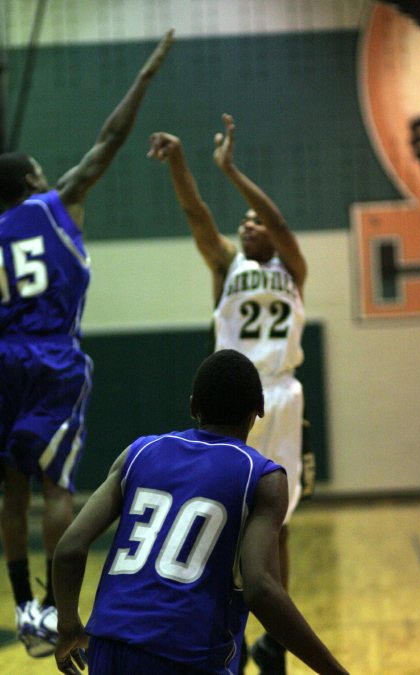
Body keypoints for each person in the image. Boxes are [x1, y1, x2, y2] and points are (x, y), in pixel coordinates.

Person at [0, 28, 174, 659]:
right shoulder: (55, 203)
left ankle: (25, 606)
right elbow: (109, 139)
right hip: (52, 354)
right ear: (32, 178)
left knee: (11, 488)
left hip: (3, 358)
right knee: (56, 486)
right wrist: (147, 74)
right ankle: (54, 608)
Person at [52, 349, 348, 675]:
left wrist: (68, 627)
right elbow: (262, 589)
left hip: (108, 648)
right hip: (186, 656)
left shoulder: (138, 453)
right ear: (260, 408)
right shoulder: (262, 477)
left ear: (193, 406)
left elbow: (69, 549)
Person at [149, 113, 308, 674]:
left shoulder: (293, 265)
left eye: (253, 220)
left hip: (282, 396)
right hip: (233, 392)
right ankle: (231, 633)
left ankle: (276, 642)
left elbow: (278, 218)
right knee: (229, 512)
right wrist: (182, 162)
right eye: (241, 221)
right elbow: (197, 213)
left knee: (278, 518)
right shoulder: (226, 262)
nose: (246, 224)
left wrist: (233, 170)